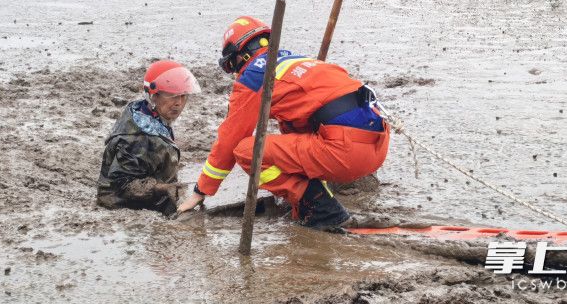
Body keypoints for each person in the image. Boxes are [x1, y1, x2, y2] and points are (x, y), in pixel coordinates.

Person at [176, 16, 390, 229]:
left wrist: (200, 191)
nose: (234, 73)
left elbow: (229, 140)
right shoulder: (298, 62)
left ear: (239, 56)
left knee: (247, 151)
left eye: (232, 66)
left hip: (344, 153)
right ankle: (313, 198)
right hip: (377, 148)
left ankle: (321, 209)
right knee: (291, 132)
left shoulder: (254, 76)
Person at [97, 60, 201, 215]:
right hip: (123, 207)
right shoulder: (136, 138)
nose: (179, 103)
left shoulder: (145, 112)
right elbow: (121, 185)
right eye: (171, 95)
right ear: (153, 96)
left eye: (183, 95)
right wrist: (164, 189)